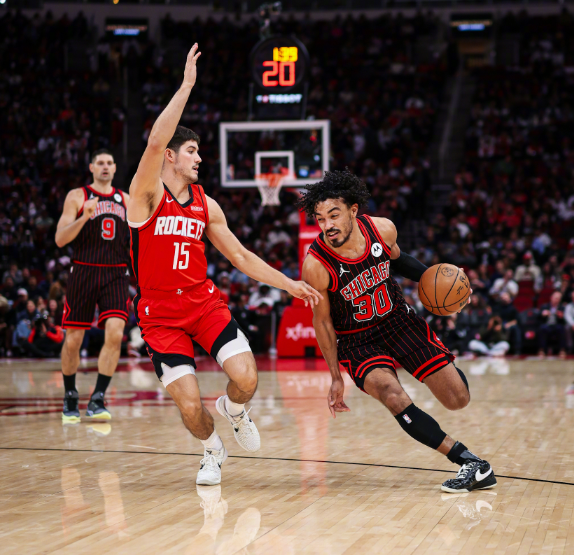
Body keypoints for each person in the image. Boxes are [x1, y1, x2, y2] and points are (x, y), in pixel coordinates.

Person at [126, 45, 321, 486]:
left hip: (203, 304)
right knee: (189, 405)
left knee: (247, 380)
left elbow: (241, 256)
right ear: (171, 156)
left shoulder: (206, 204)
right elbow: (154, 141)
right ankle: (212, 449)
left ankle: (233, 411)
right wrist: (186, 86)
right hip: (160, 315)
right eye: (191, 150)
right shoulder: (146, 196)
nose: (199, 158)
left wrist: (288, 284)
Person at [298, 169, 496, 494]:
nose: (327, 225)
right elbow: (322, 323)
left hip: (399, 321)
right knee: (392, 395)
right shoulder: (316, 265)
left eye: (333, 215)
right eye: (320, 219)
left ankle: (445, 367)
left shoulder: (382, 229)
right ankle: (469, 462)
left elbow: (400, 262)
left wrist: (447, 284)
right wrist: (335, 376)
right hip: (357, 341)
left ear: (353, 210)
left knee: (457, 399)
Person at [55, 149, 130, 422]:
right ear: (91, 167)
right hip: (83, 271)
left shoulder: (127, 200)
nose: (105, 166)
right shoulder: (77, 196)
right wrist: (84, 216)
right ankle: (70, 394)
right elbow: (60, 239)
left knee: (115, 334)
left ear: (115, 167)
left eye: (109, 162)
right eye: (100, 163)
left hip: (116, 273)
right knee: (74, 338)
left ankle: (98, 397)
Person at [538, 291, 567, 359]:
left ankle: (562, 350)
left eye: (559, 298)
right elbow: (538, 317)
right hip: (547, 325)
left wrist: (561, 317)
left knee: (561, 328)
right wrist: (543, 314)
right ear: (551, 298)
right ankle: (542, 350)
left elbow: (564, 321)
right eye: (556, 298)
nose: (557, 300)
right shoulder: (545, 306)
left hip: (557, 325)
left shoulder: (562, 308)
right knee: (542, 328)